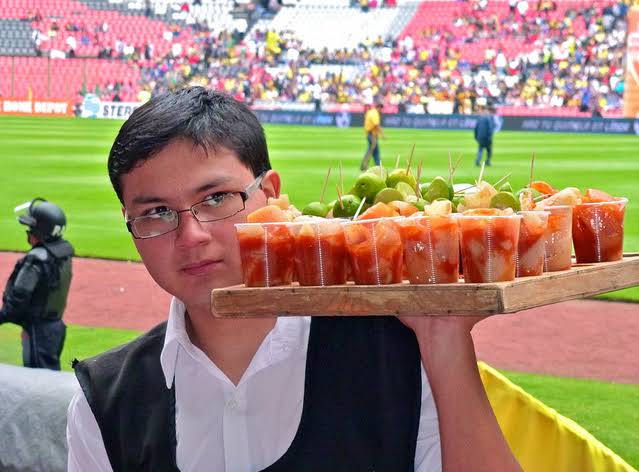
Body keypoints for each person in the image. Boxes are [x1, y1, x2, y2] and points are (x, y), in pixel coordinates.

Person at [67, 87, 521, 471]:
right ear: (130, 224)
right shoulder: (103, 402)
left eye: (217, 198)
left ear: (271, 194)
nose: (192, 235)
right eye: (156, 213)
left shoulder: (400, 354)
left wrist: (444, 341)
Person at [0, 198, 73, 371]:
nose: (28, 232)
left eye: (31, 229)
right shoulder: (62, 253)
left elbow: (19, 296)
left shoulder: (37, 259)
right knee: (49, 374)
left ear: (40, 232)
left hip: (38, 331)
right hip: (55, 327)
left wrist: (3, 316)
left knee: (39, 381)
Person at [360, 101, 385, 171]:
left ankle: (378, 166)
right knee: (371, 150)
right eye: (381, 109)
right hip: (372, 135)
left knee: (376, 151)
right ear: (379, 108)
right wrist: (382, 134)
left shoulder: (371, 112)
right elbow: (376, 125)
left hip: (370, 134)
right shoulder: (375, 114)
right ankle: (364, 166)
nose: (381, 111)